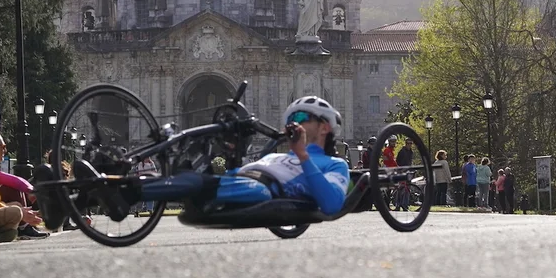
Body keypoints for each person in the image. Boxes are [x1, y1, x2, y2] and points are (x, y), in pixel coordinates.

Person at [45, 96, 351, 223]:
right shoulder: (275, 154)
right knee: (181, 170)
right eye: (292, 119)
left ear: (325, 127)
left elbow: (332, 203)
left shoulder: (334, 165)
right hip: (239, 183)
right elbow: (239, 170)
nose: (295, 123)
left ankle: (117, 194)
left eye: (303, 118)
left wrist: (302, 154)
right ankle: (70, 201)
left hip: (262, 190)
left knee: (198, 182)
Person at [394, 138, 413, 212]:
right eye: (408, 143)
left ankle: (405, 205)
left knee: (407, 188)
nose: (409, 145)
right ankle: (398, 205)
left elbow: (410, 162)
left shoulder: (411, 152)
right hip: (402, 171)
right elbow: (397, 161)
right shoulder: (402, 151)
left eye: (411, 143)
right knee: (400, 189)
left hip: (408, 171)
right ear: (405, 143)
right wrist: (400, 169)